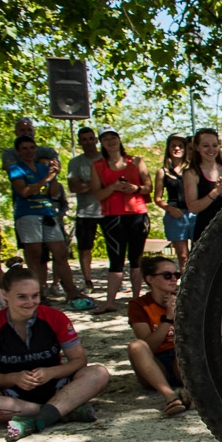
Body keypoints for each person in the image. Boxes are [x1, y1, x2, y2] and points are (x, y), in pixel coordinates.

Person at [0, 264, 110, 441]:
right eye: (21, 297)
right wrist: (13, 378)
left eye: (35, 296)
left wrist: (51, 372)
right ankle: (60, 411)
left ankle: (37, 419)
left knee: (99, 372)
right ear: (4, 294)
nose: (30, 302)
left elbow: (79, 360)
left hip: (58, 386)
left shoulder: (55, 317)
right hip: (13, 393)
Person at [8, 135, 94, 312]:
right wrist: (45, 180)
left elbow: (53, 194)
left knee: (60, 252)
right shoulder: (16, 169)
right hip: (27, 214)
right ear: (18, 151)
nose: (29, 152)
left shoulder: (42, 168)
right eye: (24, 148)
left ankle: (71, 292)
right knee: (36, 255)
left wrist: (53, 177)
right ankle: (39, 292)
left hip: (48, 214)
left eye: (32, 148)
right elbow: (24, 191)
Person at [91, 126, 152, 314]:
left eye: (113, 137)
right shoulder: (97, 166)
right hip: (112, 217)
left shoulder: (136, 161)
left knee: (137, 259)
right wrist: (114, 187)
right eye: (105, 138)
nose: (110, 141)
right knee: (115, 260)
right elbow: (97, 193)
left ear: (119, 139)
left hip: (137, 214)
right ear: (101, 142)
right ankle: (110, 301)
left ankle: (136, 299)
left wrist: (134, 188)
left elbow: (148, 187)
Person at [126, 256, 190, 416]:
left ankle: (191, 392)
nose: (173, 279)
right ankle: (170, 397)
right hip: (154, 364)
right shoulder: (138, 305)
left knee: (184, 350)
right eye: (167, 275)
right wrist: (168, 318)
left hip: (179, 360)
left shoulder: (185, 299)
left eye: (177, 275)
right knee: (136, 346)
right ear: (150, 279)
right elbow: (149, 346)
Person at [184, 127, 222, 244]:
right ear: (197, 147)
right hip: (205, 231)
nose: (211, 149)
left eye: (214, 145)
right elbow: (193, 208)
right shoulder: (192, 173)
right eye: (205, 146)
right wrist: (216, 191)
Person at [67, 126, 106, 290]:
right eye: (84, 139)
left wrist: (87, 184)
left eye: (91, 138)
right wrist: (100, 183)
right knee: (84, 249)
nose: (88, 142)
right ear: (80, 142)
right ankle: (88, 281)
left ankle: (114, 281)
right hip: (85, 212)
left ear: (96, 140)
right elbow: (74, 187)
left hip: (108, 211)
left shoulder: (106, 159)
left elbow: (116, 183)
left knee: (114, 248)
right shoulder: (75, 162)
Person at [154, 133, 196, 268]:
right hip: (175, 215)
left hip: (194, 213)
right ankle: (185, 286)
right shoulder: (163, 171)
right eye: (173, 146)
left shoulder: (192, 169)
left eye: (180, 146)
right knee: (183, 255)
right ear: (168, 149)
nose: (177, 148)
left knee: (198, 253)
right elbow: (157, 198)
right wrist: (170, 209)